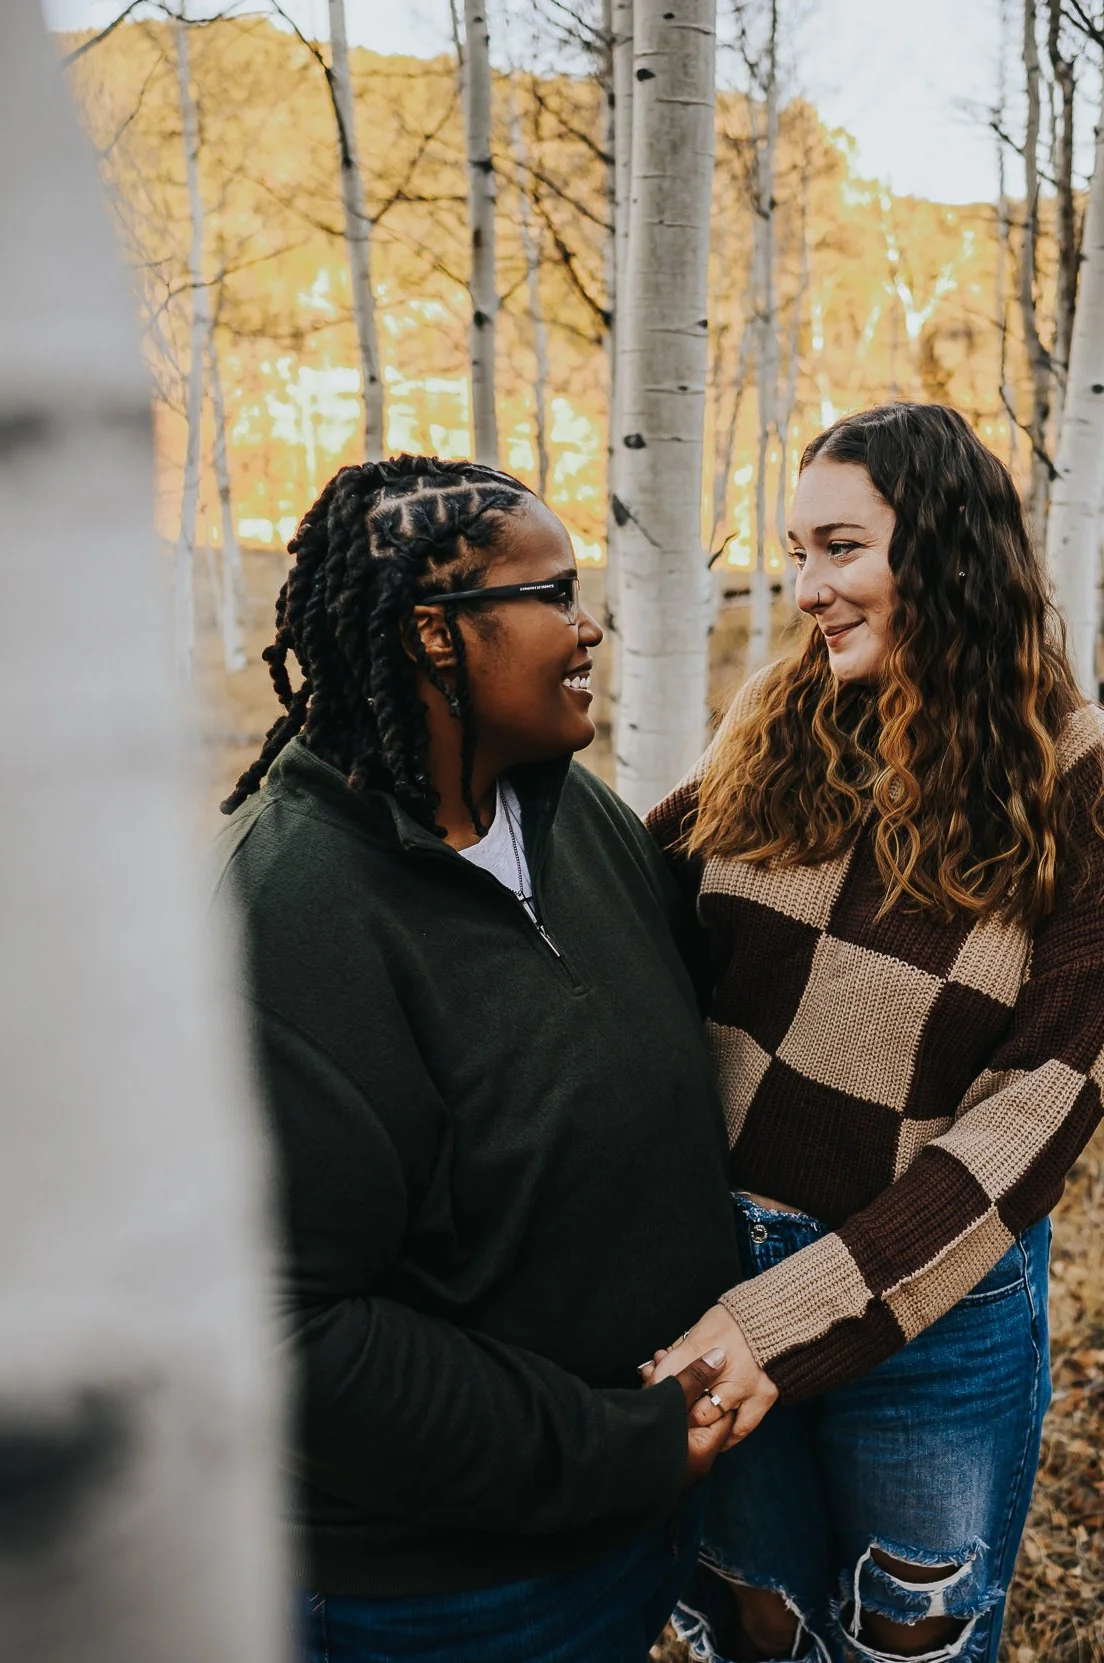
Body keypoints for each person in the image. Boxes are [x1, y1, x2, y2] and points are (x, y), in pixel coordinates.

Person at [644, 404, 1104, 1663]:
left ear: (942, 549)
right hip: (720, 1272)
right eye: (796, 550)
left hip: (937, 1307)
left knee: (904, 1644)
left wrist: (793, 1314)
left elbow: (1045, 1102)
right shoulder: (786, 712)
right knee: (753, 1627)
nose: (806, 587)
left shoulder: (1091, 774)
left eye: (839, 548)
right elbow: (629, 897)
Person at [214, 456, 745, 1663]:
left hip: (635, 1522)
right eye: (554, 593)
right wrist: (619, 1446)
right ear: (432, 638)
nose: (588, 623)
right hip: (445, 1597)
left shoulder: (566, 811)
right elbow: (292, 1334)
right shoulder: (285, 922)